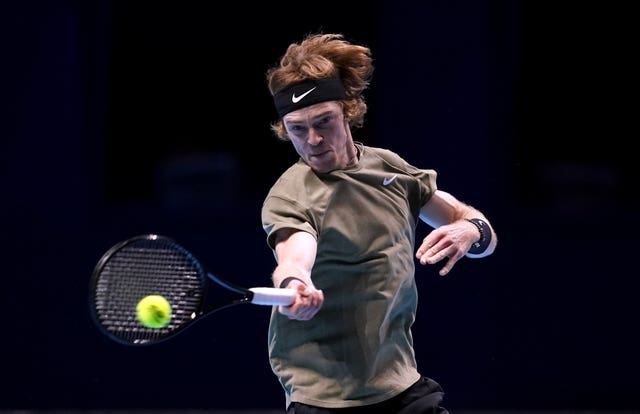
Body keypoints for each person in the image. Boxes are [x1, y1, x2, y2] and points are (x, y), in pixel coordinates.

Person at [261, 32, 497, 414]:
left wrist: (471, 230)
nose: (314, 139)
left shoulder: (389, 168)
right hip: (324, 392)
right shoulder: (289, 195)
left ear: (349, 111)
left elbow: (475, 228)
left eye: (324, 121)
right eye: (298, 129)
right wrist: (294, 284)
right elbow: (293, 255)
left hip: (398, 381)